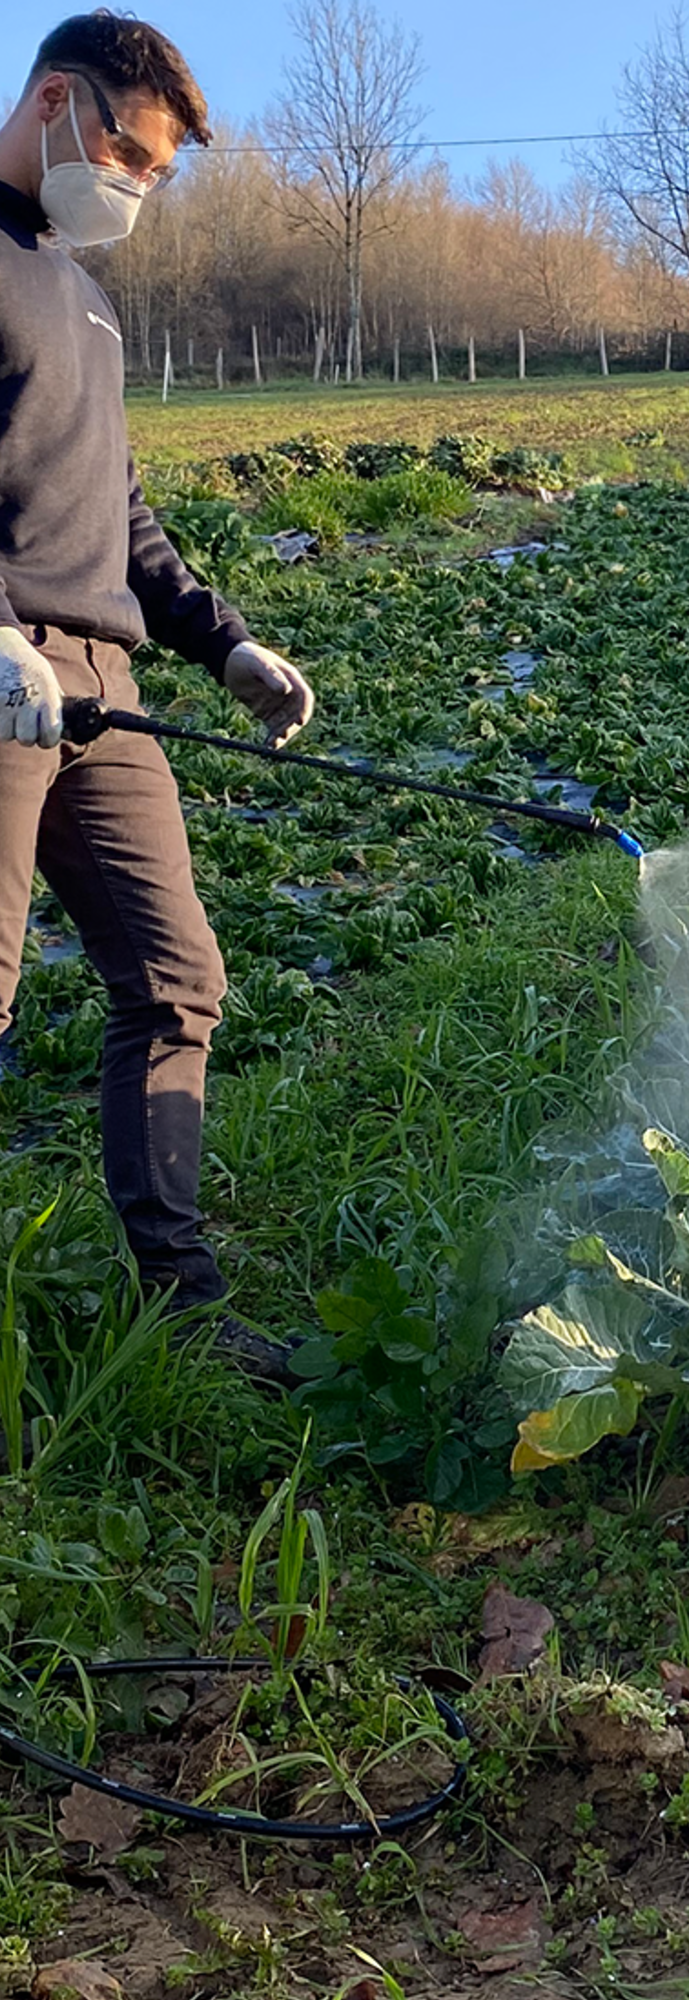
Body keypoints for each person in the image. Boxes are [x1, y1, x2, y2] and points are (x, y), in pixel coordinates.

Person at [0, 11, 315, 1377]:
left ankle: (179, 1309)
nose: (134, 185)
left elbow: (119, 514)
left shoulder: (82, 294)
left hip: (99, 686)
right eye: (127, 153)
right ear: (55, 103)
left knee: (179, 977)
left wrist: (223, 644)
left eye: (157, 174)